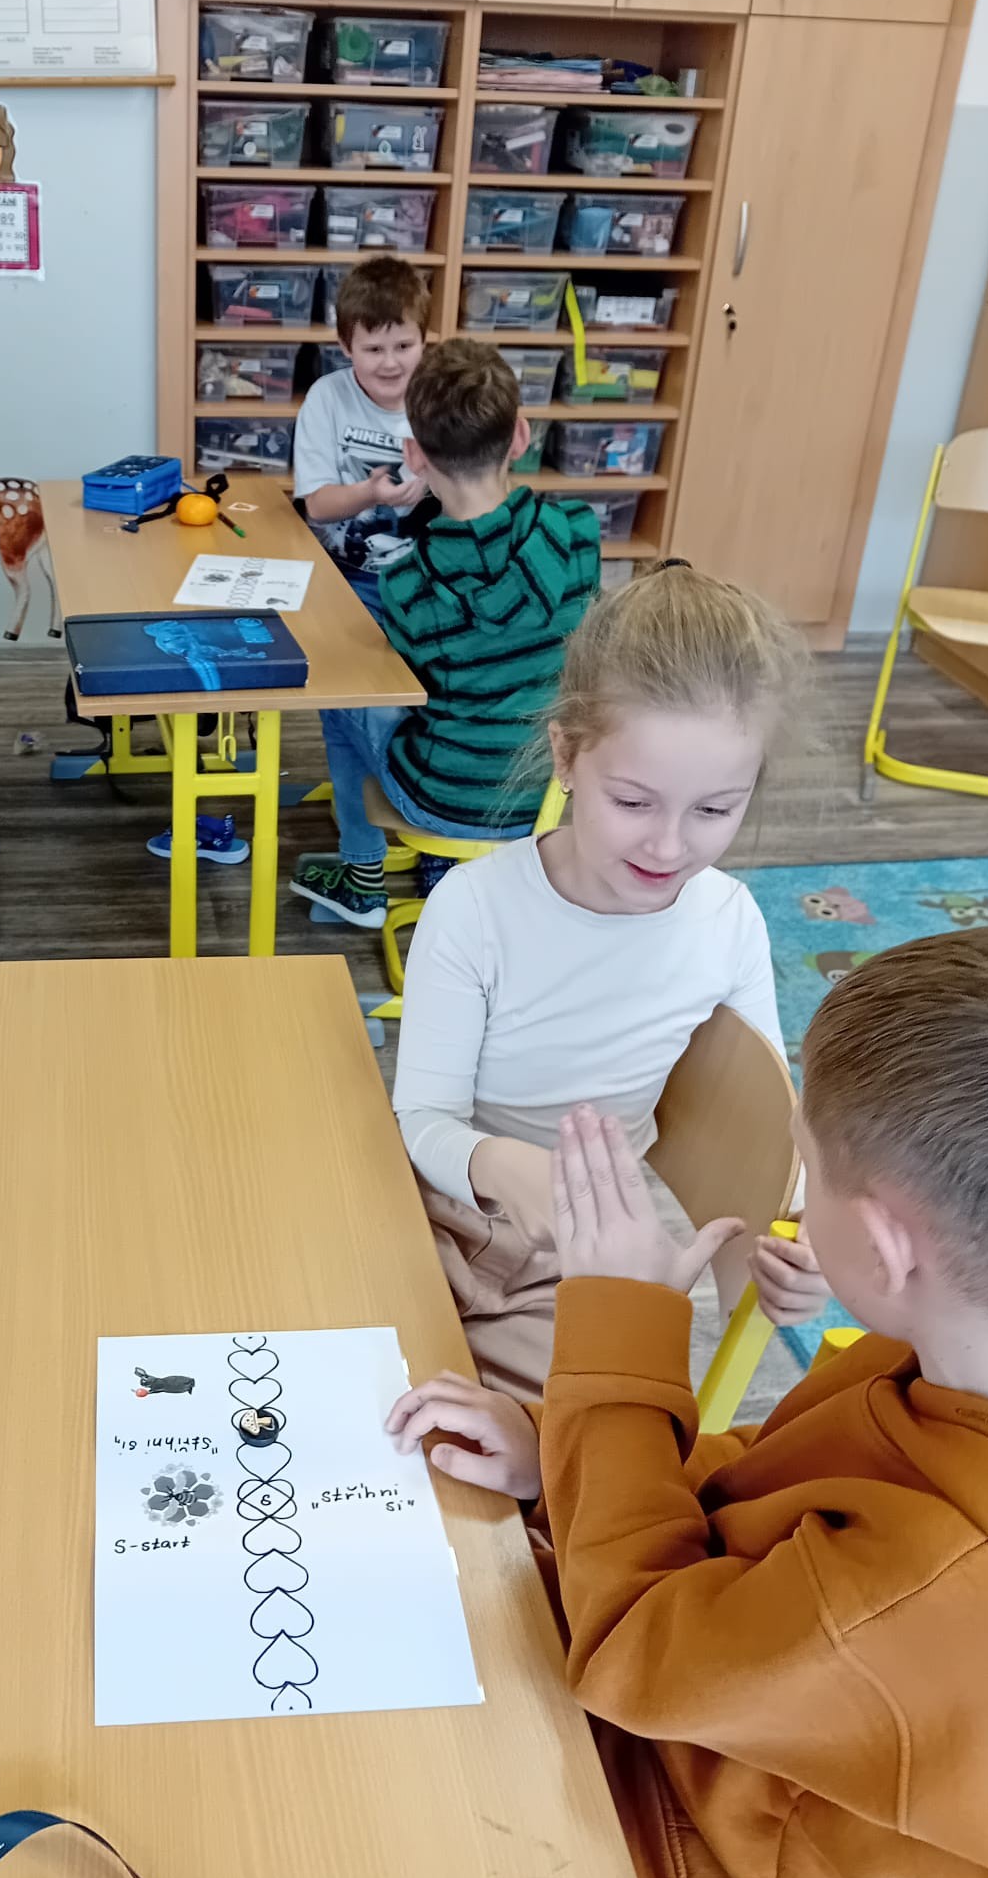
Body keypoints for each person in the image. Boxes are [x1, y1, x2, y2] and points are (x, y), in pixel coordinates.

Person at [390, 929, 988, 1878]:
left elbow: (633, 1647)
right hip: (739, 1728)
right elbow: (765, 1493)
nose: (794, 1195)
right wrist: (561, 1449)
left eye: (808, 1167)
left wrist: (619, 1334)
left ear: (880, 1249)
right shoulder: (960, 1355)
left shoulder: (930, 1581)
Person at [393, 563, 827, 1399]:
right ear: (566, 755)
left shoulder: (728, 921)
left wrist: (798, 1247)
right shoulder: (476, 908)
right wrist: (500, 1165)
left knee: (565, 1454)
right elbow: (423, 1120)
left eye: (714, 810)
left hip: (580, 1261)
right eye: (633, 802)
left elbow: (777, 1134)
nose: (668, 846)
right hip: (432, 1213)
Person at [289, 338, 598, 930]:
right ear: (520, 437)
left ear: (414, 454)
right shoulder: (580, 532)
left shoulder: (410, 586)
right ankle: (446, 869)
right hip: (549, 795)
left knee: (342, 695)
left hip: (444, 798)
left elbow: (406, 691)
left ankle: (362, 876)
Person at [292, 255, 433, 618]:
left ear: (424, 339)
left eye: (404, 346)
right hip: (338, 572)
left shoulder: (440, 399)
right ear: (345, 345)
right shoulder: (326, 397)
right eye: (373, 350)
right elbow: (317, 506)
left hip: (423, 577)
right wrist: (370, 493)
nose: (390, 363)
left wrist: (438, 478)